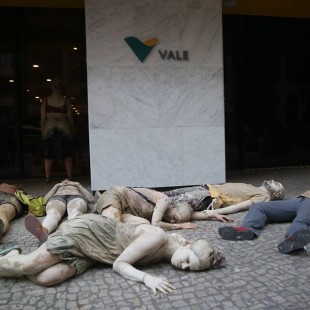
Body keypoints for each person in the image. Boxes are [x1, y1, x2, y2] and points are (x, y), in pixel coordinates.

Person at [0, 214, 226, 293]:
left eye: (189, 269)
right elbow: (119, 264)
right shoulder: (157, 236)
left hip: (96, 254)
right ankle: (18, 257)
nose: (183, 267)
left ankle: (15, 254)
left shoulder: (171, 248)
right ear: (187, 246)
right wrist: (147, 278)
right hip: (88, 233)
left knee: (46, 279)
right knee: (29, 267)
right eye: (187, 261)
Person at [96, 186, 233, 230]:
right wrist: (180, 226)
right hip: (116, 196)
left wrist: (213, 215)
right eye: (175, 218)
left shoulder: (174, 213)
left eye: (175, 221)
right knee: (110, 227)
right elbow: (156, 223)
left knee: (140, 227)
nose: (173, 221)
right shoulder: (164, 200)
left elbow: (194, 216)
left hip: (127, 212)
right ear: (174, 207)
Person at [218, 190, 310, 254]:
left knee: (302, 219)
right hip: (302, 199)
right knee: (258, 207)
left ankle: (294, 240)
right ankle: (247, 229)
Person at [163, 180, 285, 221]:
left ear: (275, 193)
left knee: (169, 201)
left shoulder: (265, 197)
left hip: (210, 197)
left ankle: (148, 212)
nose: (274, 180)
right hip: (208, 187)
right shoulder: (255, 188)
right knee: (165, 195)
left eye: (277, 184)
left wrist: (216, 213)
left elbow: (242, 206)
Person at [24, 179, 95, 243]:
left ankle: (74, 230)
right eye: (64, 180)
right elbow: (44, 200)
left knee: (75, 211)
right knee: (53, 213)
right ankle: (44, 231)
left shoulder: (76, 186)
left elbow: (91, 199)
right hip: (57, 197)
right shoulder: (58, 188)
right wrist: (56, 186)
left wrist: (77, 184)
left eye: (68, 180)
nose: (66, 180)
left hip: (76, 196)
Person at [41, 78, 74, 183]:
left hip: (49, 130)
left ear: (51, 88)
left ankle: (47, 177)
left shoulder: (46, 100)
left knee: (48, 155)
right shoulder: (65, 100)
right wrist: (73, 128)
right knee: (67, 155)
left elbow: (43, 117)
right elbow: (70, 117)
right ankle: (69, 176)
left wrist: (42, 129)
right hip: (64, 129)